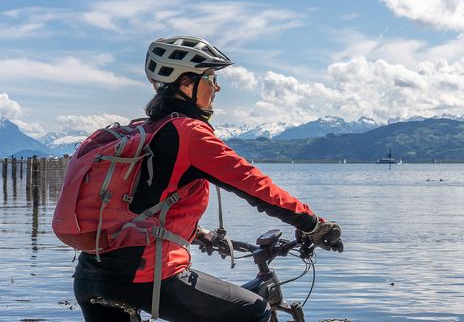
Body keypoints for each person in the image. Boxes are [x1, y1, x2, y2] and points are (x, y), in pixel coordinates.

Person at [73, 36, 343, 322]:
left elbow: (143, 201)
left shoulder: (148, 130)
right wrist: (312, 223)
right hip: (145, 276)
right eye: (210, 77)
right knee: (253, 310)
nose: (217, 86)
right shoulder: (189, 133)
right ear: (186, 84)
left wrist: (199, 233)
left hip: (92, 274)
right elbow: (255, 185)